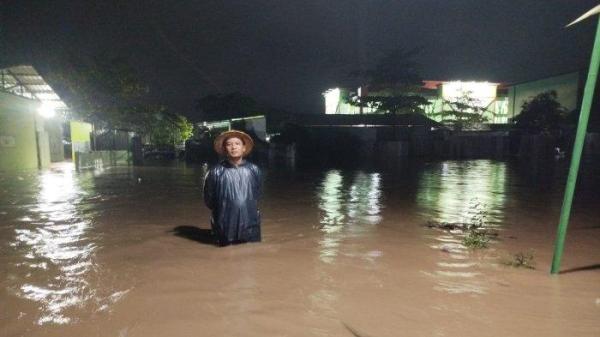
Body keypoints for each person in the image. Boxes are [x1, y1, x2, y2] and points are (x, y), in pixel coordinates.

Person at [203, 130, 262, 246]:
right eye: (229, 144)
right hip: (225, 226)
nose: (233, 147)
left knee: (252, 256)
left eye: (237, 144)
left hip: (250, 225)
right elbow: (209, 200)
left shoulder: (254, 170)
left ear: (244, 148)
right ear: (225, 149)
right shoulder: (215, 172)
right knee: (225, 257)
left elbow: (257, 194)